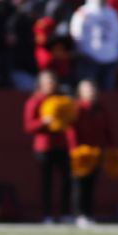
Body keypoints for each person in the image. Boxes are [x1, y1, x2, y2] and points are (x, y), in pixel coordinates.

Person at [24, 69, 70, 223]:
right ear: (40, 83)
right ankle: (47, 215)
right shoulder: (34, 101)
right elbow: (28, 126)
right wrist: (43, 121)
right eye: (47, 81)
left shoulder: (62, 99)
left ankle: (65, 213)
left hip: (62, 144)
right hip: (44, 146)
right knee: (47, 182)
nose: (51, 84)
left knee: (68, 179)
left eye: (53, 80)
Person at [67, 79, 112, 227]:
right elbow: (71, 130)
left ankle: (89, 213)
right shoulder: (77, 108)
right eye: (87, 89)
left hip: (96, 152)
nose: (91, 92)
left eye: (92, 88)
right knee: (80, 184)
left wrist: (109, 148)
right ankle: (79, 214)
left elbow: (107, 130)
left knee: (92, 184)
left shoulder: (101, 108)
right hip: (81, 153)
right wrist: (75, 150)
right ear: (80, 92)